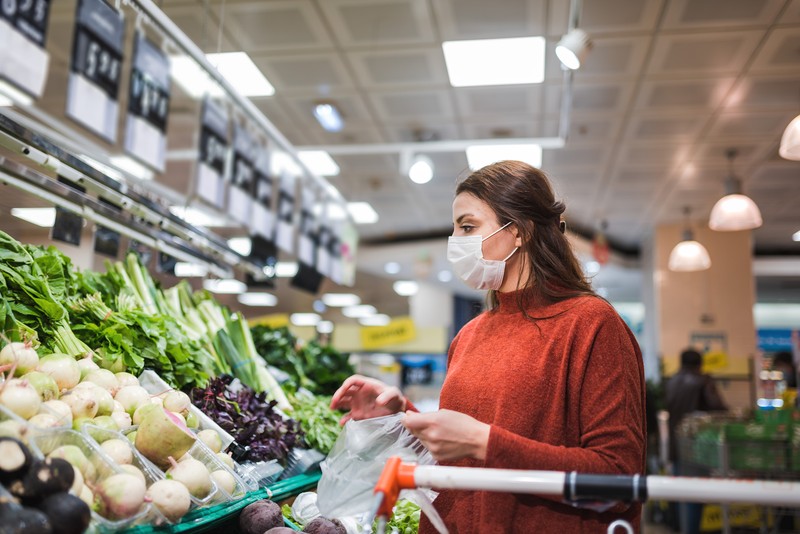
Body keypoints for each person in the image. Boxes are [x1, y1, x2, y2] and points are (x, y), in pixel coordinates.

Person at [330, 160, 646, 533]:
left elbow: (618, 474)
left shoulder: (592, 324)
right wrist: (401, 415)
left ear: (520, 232)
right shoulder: (470, 334)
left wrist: (484, 442)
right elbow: (459, 456)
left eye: (468, 226)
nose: (456, 241)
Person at [665, 348, 727, 534]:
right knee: (694, 495)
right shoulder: (703, 381)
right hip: (696, 448)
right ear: (700, 363)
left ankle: (678, 528)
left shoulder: (671, 381)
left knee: (678, 492)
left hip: (675, 446)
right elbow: (718, 407)